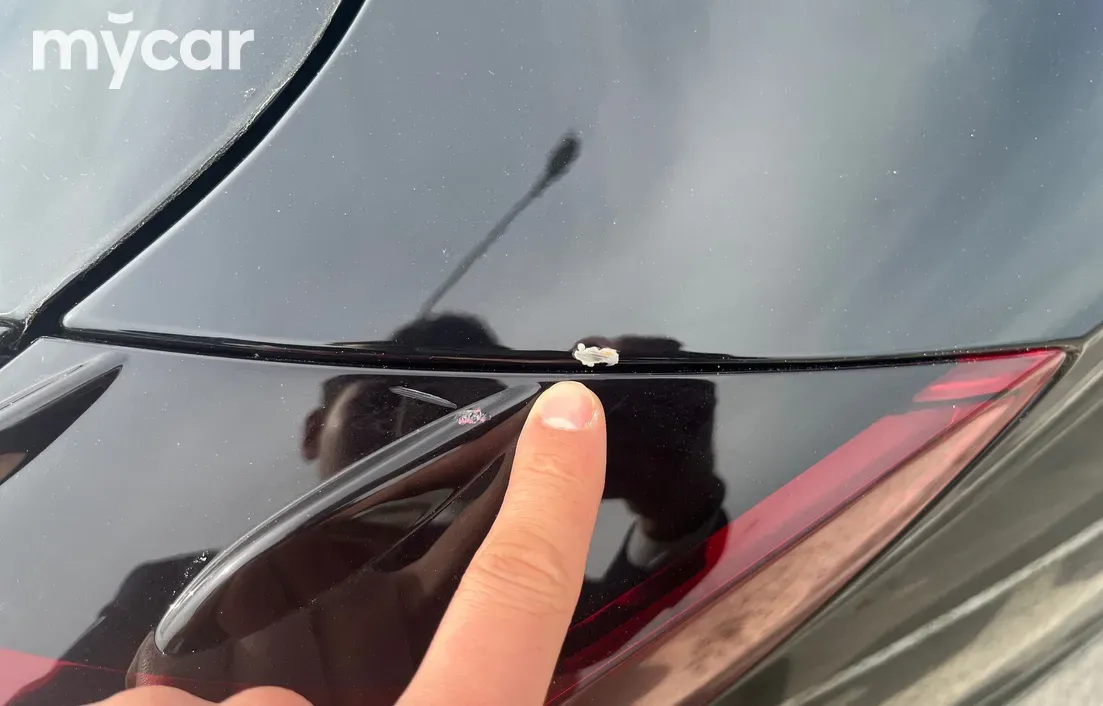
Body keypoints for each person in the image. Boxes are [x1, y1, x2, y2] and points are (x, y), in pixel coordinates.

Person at [98, 380, 607, 706]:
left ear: (502, 437)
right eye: (383, 408)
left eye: (458, 419)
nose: (411, 431)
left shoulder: (561, 595)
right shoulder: (173, 596)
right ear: (313, 430)